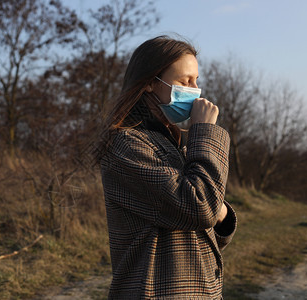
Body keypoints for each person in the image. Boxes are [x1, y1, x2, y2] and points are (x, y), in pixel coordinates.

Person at [98, 35, 237, 299]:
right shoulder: (127, 146)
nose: (195, 90)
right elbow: (199, 208)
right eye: (185, 81)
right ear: (151, 82)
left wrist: (222, 215)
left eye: (196, 81)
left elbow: (198, 231)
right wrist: (205, 131)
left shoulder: (171, 142)